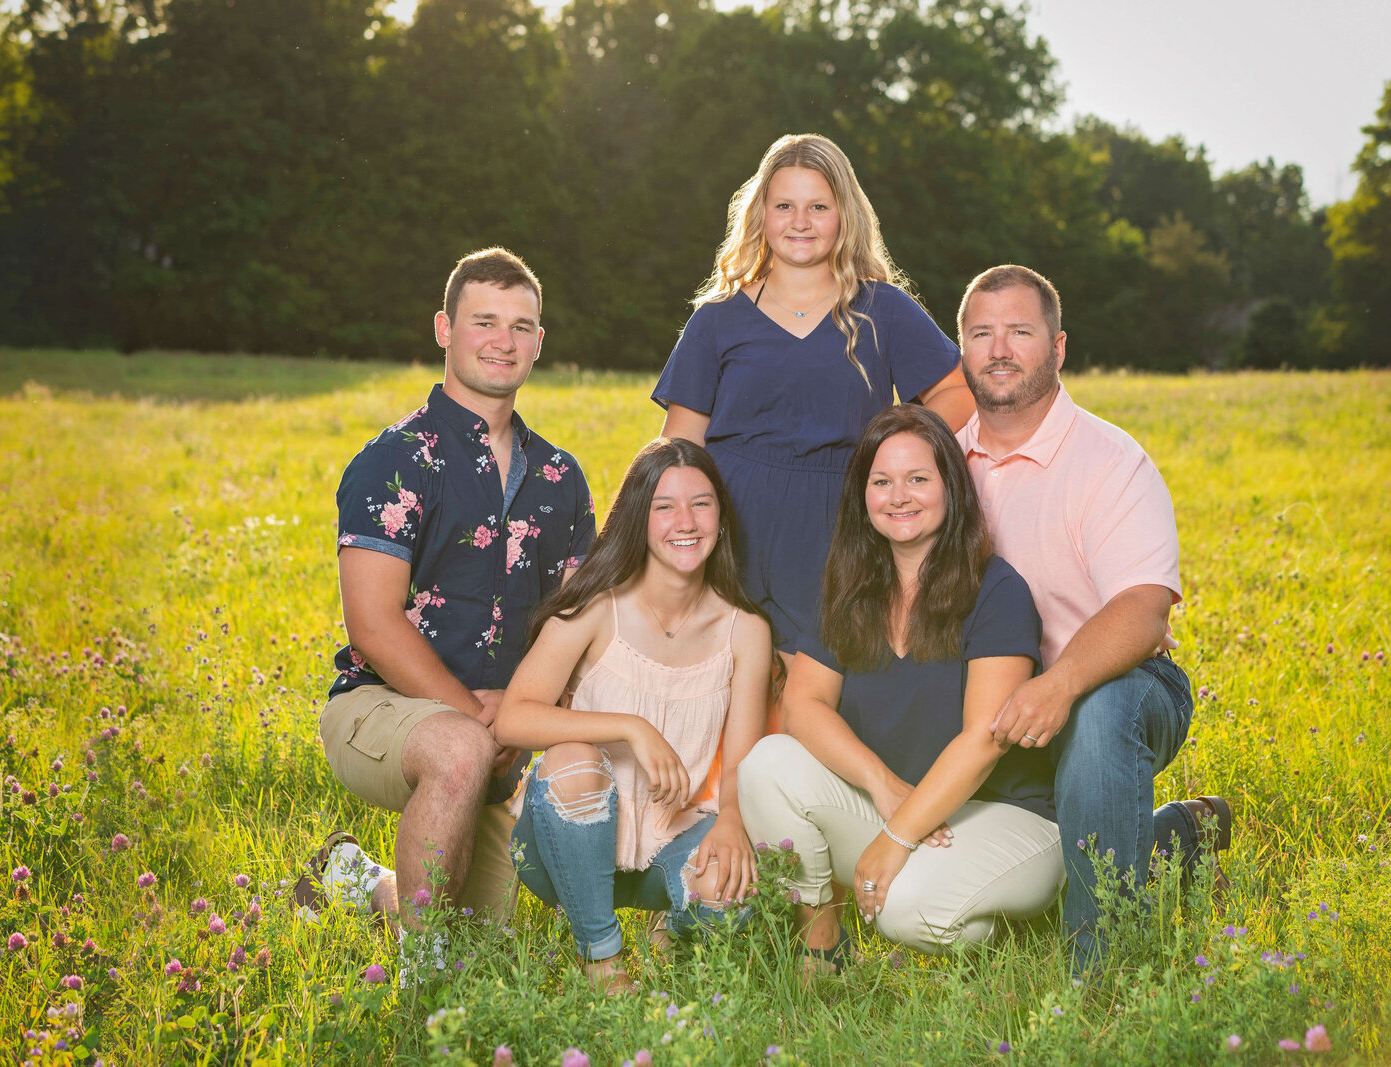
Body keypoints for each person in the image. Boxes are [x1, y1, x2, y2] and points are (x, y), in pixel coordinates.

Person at [302, 248, 596, 945]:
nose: (503, 340)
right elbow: (373, 625)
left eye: (521, 326)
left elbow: (577, 620)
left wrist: (528, 712)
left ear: (540, 343)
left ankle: (356, 878)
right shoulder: (395, 459)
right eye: (484, 321)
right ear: (444, 328)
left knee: (483, 938)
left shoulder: (561, 477)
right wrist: (475, 715)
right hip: (381, 708)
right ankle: (416, 987)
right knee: (460, 750)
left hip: (505, 731)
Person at [952, 264, 1232, 970]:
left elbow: (1142, 609)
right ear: (962, 350)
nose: (1000, 348)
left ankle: (1099, 970)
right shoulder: (944, 466)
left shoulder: (1110, 461)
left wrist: (1060, 684)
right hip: (993, 711)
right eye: (982, 333)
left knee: (1097, 712)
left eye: (1021, 331)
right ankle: (1173, 835)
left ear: (1059, 347)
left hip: (1123, 690)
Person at [738, 405, 1062, 969]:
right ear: (862, 496)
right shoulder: (851, 586)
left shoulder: (997, 590)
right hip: (902, 802)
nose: (899, 496)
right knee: (767, 764)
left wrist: (896, 840)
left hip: (1006, 812)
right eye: (881, 481)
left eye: (918, 479)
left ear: (952, 489)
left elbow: (985, 740)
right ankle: (822, 947)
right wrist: (883, 787)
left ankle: (1058, 900)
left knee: (909, 912)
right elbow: (804, 705)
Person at [652, 133, 974, 688]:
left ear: (843, 215)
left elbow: (957, 392)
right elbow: (679, 448)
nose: (800, 222)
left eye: (818, 206)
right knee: (724, 688)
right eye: (784, 206)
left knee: (817, 695)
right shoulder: (717, 320)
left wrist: (892, 457)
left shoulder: (883, 309)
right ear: (762, 215)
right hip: (733, 525)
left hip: (836, 528)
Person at [494, 438, 772, 994]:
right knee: (574, 760)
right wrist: (630, 727)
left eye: (702, 503)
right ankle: (602, 956)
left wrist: (735, 826)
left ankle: (673, 922)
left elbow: (741, 764)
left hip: (675, 831)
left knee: (732, 894)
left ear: (721, 516)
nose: (685, 521)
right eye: (663, 506)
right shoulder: (596, 607)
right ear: (637, 519)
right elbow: (513, 720)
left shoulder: (746, 631)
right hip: (565, 839)